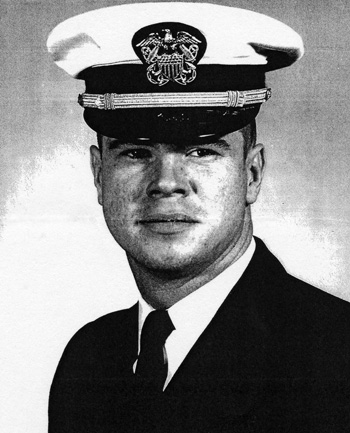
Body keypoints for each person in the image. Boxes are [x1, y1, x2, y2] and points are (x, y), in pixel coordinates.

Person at [47, 3, 350, 432]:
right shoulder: (89, 360)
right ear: (99, 176)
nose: (166, 182)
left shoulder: (334, 358)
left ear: (251, 174)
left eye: (201, 151)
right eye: (136, 151)